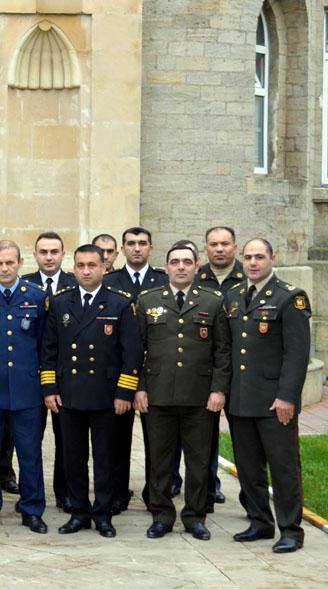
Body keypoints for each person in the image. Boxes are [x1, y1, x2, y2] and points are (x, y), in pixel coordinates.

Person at [41, 244, 141, 538]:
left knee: (105, 458)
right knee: (73, 458)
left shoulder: (120, 303)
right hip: (69, 395)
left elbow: (131, 353)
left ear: (104, 267)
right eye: (81, 265)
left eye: (92, 265)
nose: (86, 271)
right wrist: (49, 387)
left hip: (107, 397)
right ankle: (79, 512)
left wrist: (124, 393)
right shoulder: (60, 303)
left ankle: (103, 513)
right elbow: (48, 349)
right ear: (74, 268)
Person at [133, 244, 230, 541]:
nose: (181, 267)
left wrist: (218, 391)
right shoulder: (147, 300)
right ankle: (161, 515)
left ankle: (194, 516)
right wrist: (139, 388)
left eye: (187, 262)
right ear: (166, 266)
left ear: (197, 265)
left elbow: (222, 352)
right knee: (159, 461)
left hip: (200, 397)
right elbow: (137, 351)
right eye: (175, 262)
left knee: (199, 462)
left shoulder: (213, 301)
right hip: (158, 395)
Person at [227, 238, 311, 554]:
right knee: (248, 467)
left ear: (272, 259)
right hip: (241, 399)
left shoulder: (290, 298)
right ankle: (261, 522)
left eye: (259, 256)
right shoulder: (234, 297)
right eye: (248, 257)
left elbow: (297, 354)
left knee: (283, 466)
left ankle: (291, 529)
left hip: (275, 401)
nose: (252, 262)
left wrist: (287, 397)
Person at [0, 240, 49, 534]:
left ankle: (32, 509)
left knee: (30, 453)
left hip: (26, 389)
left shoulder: (37, 297)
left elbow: (42, 342)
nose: (4, 268)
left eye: (10, 263)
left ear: (20, 263)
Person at [104, 226, 168, 514]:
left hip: (157, 375)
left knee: (159, 442)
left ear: (151, 248)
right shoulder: (110, 281)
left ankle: (156, 495)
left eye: (143, 243)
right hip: (120, 375)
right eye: (131, 243)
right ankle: (118, 492)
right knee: (117, 440)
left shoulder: (162, 281)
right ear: (123, 249)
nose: (137, 248)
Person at [22, 231, 77, 510]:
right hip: (30, 376)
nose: (49, 257)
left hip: (65, 377)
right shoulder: (24, 284)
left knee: (65, 439)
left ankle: (64, 493)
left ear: (63, 255)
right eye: (43, 252)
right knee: (29, 440)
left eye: (54, 251)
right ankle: (29, 493)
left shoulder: (73, 283)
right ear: (35, 256)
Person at [196, 225, 244, 507]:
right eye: (214, 244)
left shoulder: (248, 276)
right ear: (206, 248)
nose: (219, 249)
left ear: (235, 248)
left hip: (240, 372)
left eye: (225, 244)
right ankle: (208, 491)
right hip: (205, 372)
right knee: (205, 438)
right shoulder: (198, 277)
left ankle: (252, 498)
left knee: (245, 441)